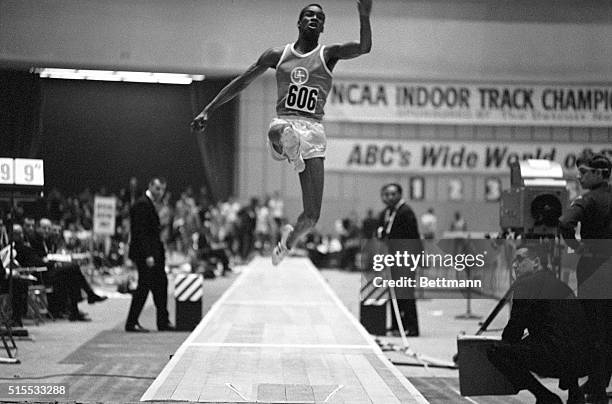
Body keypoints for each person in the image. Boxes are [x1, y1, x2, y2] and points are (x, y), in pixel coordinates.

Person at [191, 1, 372, 265]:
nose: (314, 19)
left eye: (319, 18)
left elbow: (364, 48)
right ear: (299, 23)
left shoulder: (329, 54)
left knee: (311, 217)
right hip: (284, 123)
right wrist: (208, 108)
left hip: (313, 131)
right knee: (279, 130)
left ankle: (288, 241)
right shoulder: (277, 55)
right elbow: (242, 82)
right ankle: (288, 146)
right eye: (309, 15)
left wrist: (364, 16)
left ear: (323, 27)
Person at [487, 245, 595, 404]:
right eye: (514, 261)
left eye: (520, 259)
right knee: (562, 336)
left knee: (497, 352)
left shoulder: (525, 285)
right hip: (585, 360)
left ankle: (544, 396)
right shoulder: (560, 284)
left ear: (536, 262)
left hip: (556, 358)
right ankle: (575, 393)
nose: (515, 265)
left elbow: (513, 333)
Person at [558, 152, 612, 403]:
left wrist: (578, 248)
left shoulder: (587, 200)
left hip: (593, 268)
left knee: (593, 329)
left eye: (583, 172)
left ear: (599, 174)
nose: (579, 176)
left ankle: (597, 390)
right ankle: (598, 382)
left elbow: (565, 224)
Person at [125, 177, 174, 332]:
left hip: (154, 252)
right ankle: (131, 322)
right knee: (144, 288)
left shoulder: (149, 204)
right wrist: (148, 255)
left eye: (163, 190)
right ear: (150, 186)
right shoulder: (142, 204)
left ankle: (163, 322)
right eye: (158, 189)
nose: (160, 192)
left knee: (161, 285)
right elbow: (141, 233)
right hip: (147, 254)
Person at [377, 183, 421, 336]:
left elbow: (413, 237)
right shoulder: (387, 213)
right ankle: (396, 326)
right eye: (386, 194)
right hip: (393, 258)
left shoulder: (405, 212)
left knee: (406, 293)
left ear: (400, 194)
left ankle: (412, 327)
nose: (390, 197)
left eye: (393, 194)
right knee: (394, 293)